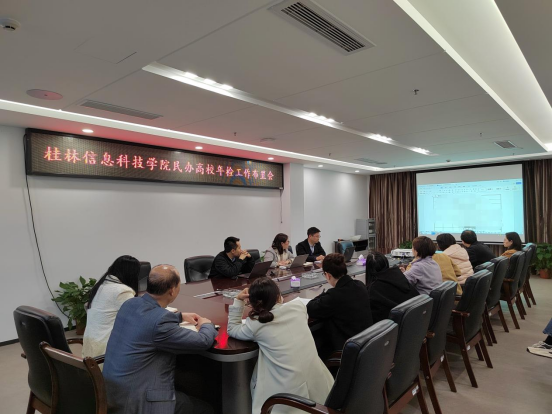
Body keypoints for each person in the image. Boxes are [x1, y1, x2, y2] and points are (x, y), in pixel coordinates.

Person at [103, 265, 217, 414]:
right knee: (207, 409)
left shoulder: (130, 303)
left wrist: (179, 316)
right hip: (139, 401)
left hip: (113, 392)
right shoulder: (160, 322)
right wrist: (206, 324)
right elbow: (203, 341)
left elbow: (146, 320)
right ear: (172, 290)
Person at [227, 277, 333, 414]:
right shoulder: (298, 307)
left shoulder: (256, 324)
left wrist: (238, 300)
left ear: (252, 302)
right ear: (278, 296)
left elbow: (232, 329)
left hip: (287, 399)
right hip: (321, 389)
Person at [306, 254, 373, 359]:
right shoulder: (360, 285)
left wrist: (322, 295)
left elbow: (310, 307)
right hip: (366, 345)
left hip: (347, 352)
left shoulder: (334, 296)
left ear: (328, 275)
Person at [83, 255, 140, 359]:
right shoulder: (122, 291)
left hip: (90, 346)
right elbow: (137, 319)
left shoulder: (100, 285)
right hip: (107, 351)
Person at [365, 252, 419, 323]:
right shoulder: (399, 277)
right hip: (417, 321)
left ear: (368, 270)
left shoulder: (374, 290)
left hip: (397, 326)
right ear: (386, 264)